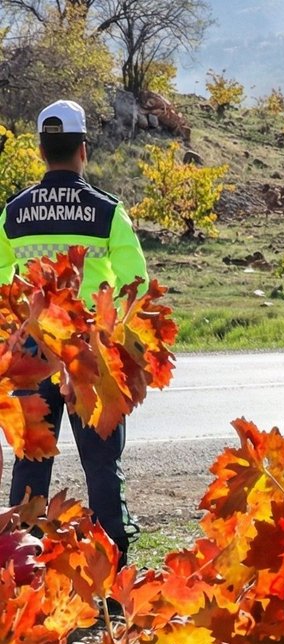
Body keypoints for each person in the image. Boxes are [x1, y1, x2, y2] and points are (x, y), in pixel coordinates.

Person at [2, 100, 148, 568]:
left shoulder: (13, 214)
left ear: (42, 151)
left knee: (30, 461)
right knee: (102, 463)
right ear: (83, 150)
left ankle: (20, 567)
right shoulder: (108, 213)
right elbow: (135, 285)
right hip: (91, 349)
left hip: (31, 348)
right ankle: (114, 570)